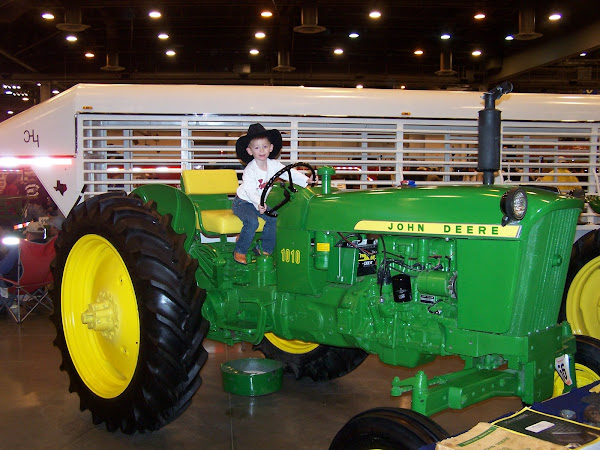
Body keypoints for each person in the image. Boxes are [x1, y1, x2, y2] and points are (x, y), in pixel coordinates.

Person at [232, 123, 313, 265]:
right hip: (243, 202)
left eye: (264, 146)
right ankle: (240, 251)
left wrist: (306, 180)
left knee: (273, 218)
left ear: (271, 147)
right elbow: (250, 191)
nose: (261, 150)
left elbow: (289, 173)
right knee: (252, 222)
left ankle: (264, 249)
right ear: (250, 151)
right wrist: (259, 204)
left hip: (259, 202)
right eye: (256, 147)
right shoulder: (250, 170)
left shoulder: (274, 165)